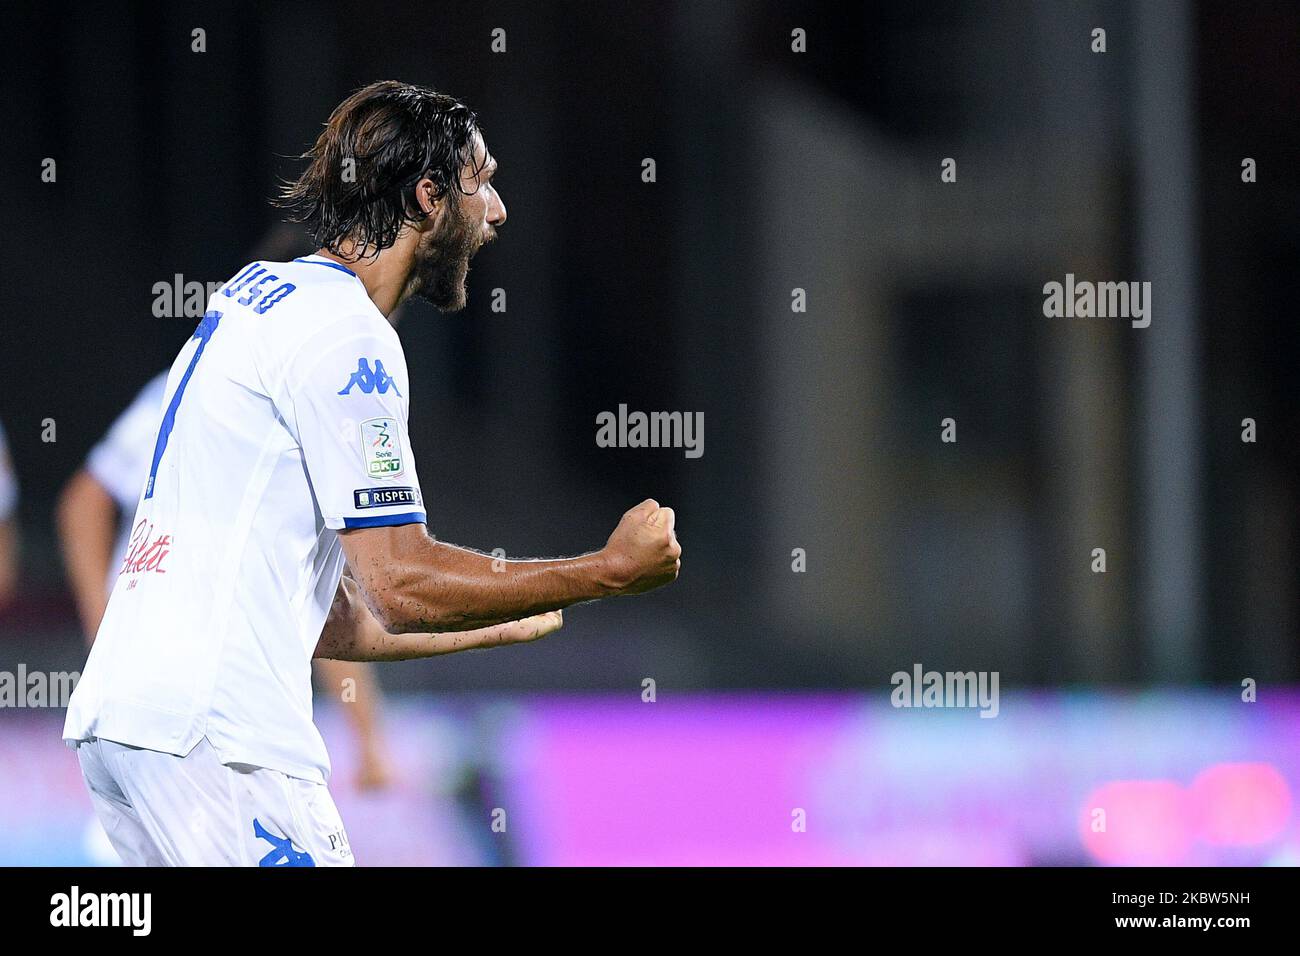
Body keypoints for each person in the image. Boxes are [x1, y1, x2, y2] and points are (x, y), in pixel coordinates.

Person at [62, 80, 681, 867]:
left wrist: (501, 612)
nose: (496, 211)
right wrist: (605, 571)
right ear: (427, 196)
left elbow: (333, 619)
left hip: (129, 729)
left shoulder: (258, 299)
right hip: (219, 740)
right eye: (481, 180)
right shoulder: (347, 337)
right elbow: (399, 583)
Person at [57, 371, 395, 793]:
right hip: (175, 692)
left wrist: (368, 737)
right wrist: (102, 628)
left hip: (205, 705)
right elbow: (86, 500)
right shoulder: (211, 381)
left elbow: (312, 598)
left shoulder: (298, 408)